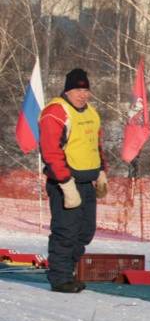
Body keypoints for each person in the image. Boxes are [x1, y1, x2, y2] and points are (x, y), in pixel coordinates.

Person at [39, 68, 108, 293]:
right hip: (65, 183)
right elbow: (50, 152)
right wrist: (66, 184)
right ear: (68, 90)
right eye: (78, 89)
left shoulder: (91, 113)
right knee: (65, 232)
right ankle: (60, 279)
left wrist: (101, 172)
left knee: (85, 232)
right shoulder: (55, 112)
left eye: (86, 89)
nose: (83, 94)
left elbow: (95, 146)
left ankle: (67, 271)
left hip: (87, 182)